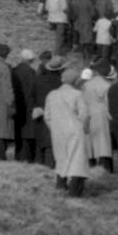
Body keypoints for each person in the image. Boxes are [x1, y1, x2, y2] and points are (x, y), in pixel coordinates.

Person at [43, 66, 91, 196]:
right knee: (77, 160)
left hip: (57, 131)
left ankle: (60, 185)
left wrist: (54, 128)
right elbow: (84, 115)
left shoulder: (52, 94)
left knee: (61, 157)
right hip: (75, 130)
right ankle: (75, 191)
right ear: (75, 81)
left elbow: (47, 115)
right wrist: (85, 128)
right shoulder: (77, 94)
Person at [81, 61, 114, 171]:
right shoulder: (107, 85)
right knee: (103, 142)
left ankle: (91, 165)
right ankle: (105, 168)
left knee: (90, 142)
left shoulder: (86, 84)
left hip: (88, 114)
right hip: (102, 115)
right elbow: (109, 103)